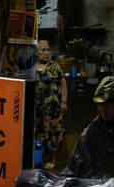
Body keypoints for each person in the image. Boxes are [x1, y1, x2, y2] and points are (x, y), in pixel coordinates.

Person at [34, 40, 67, 170]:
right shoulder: (32, 68)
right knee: (38, 133)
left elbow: (63, 83)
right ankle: (38, 160)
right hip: (37, 108)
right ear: (36, 53)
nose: (46, 53)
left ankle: (52, 161)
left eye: (48, 50)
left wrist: (64, 101)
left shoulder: (55, 67)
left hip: (53, 109)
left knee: (54, 133)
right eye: (43, 50)